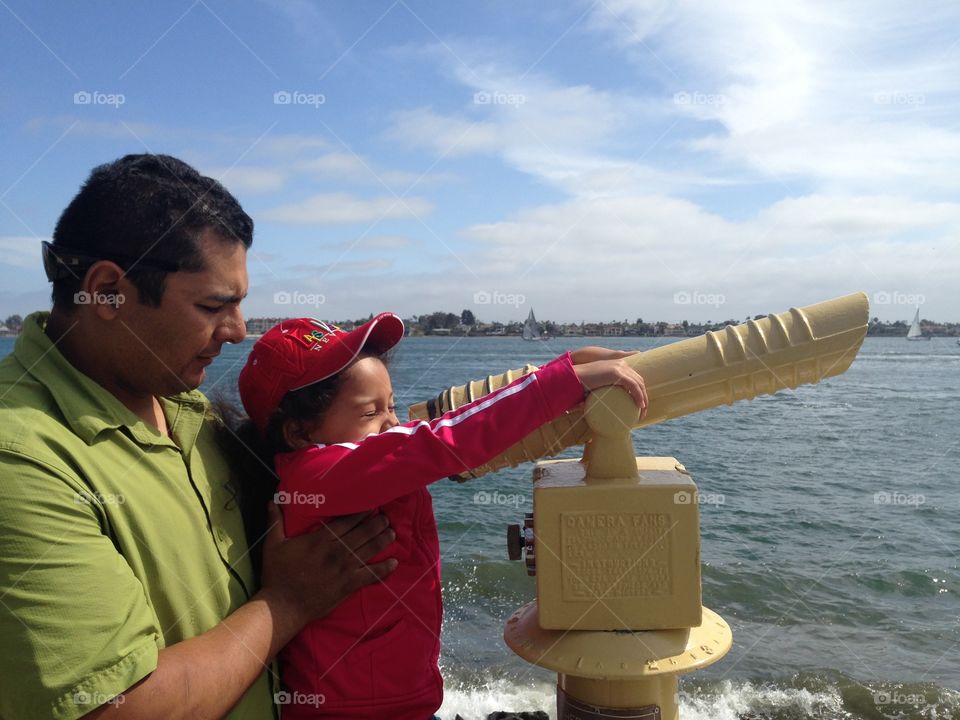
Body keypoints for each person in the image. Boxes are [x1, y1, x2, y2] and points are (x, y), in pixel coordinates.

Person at [0, 154, 396, 720]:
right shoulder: (20, 459)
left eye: (239, 303)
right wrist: (288, 602)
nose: (237, 331)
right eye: (213, 305)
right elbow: (117, 709)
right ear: (107, 291)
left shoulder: (180, 402)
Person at [236, 314, 648, 719]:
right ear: (299, 434)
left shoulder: (340, 472)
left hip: (397, 703)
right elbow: (444, 440)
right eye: (369, 413)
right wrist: (562, 382)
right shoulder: (318, 474)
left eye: (391, 406)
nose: (392, 423)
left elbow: (450, 426)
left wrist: (566, 365)